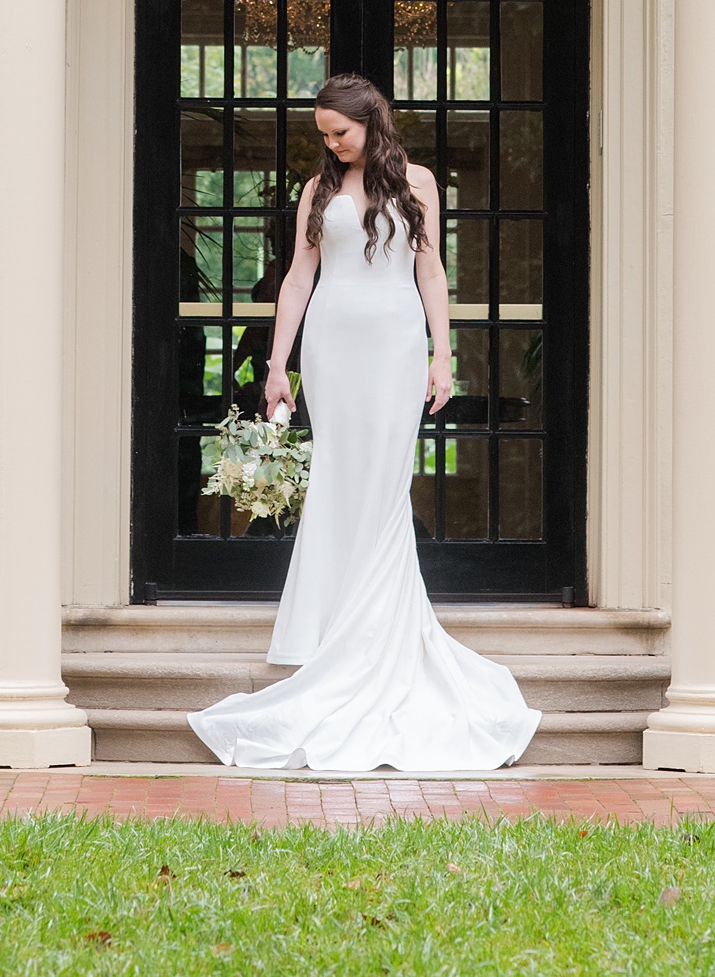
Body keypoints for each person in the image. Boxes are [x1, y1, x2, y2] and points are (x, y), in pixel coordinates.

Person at [188, 72, 539, 773]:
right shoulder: (318, 193)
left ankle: (378, 641)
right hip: (332, 349)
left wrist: (444, 355)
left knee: (383, 490)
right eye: (323, 135)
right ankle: (336, 634)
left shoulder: (420, 183)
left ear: (371, 123)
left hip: (397, 348)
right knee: (341, 486)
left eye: (339, 133)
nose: (331, 144)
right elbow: (297, 278)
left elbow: (432, 272)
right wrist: (278, 364)